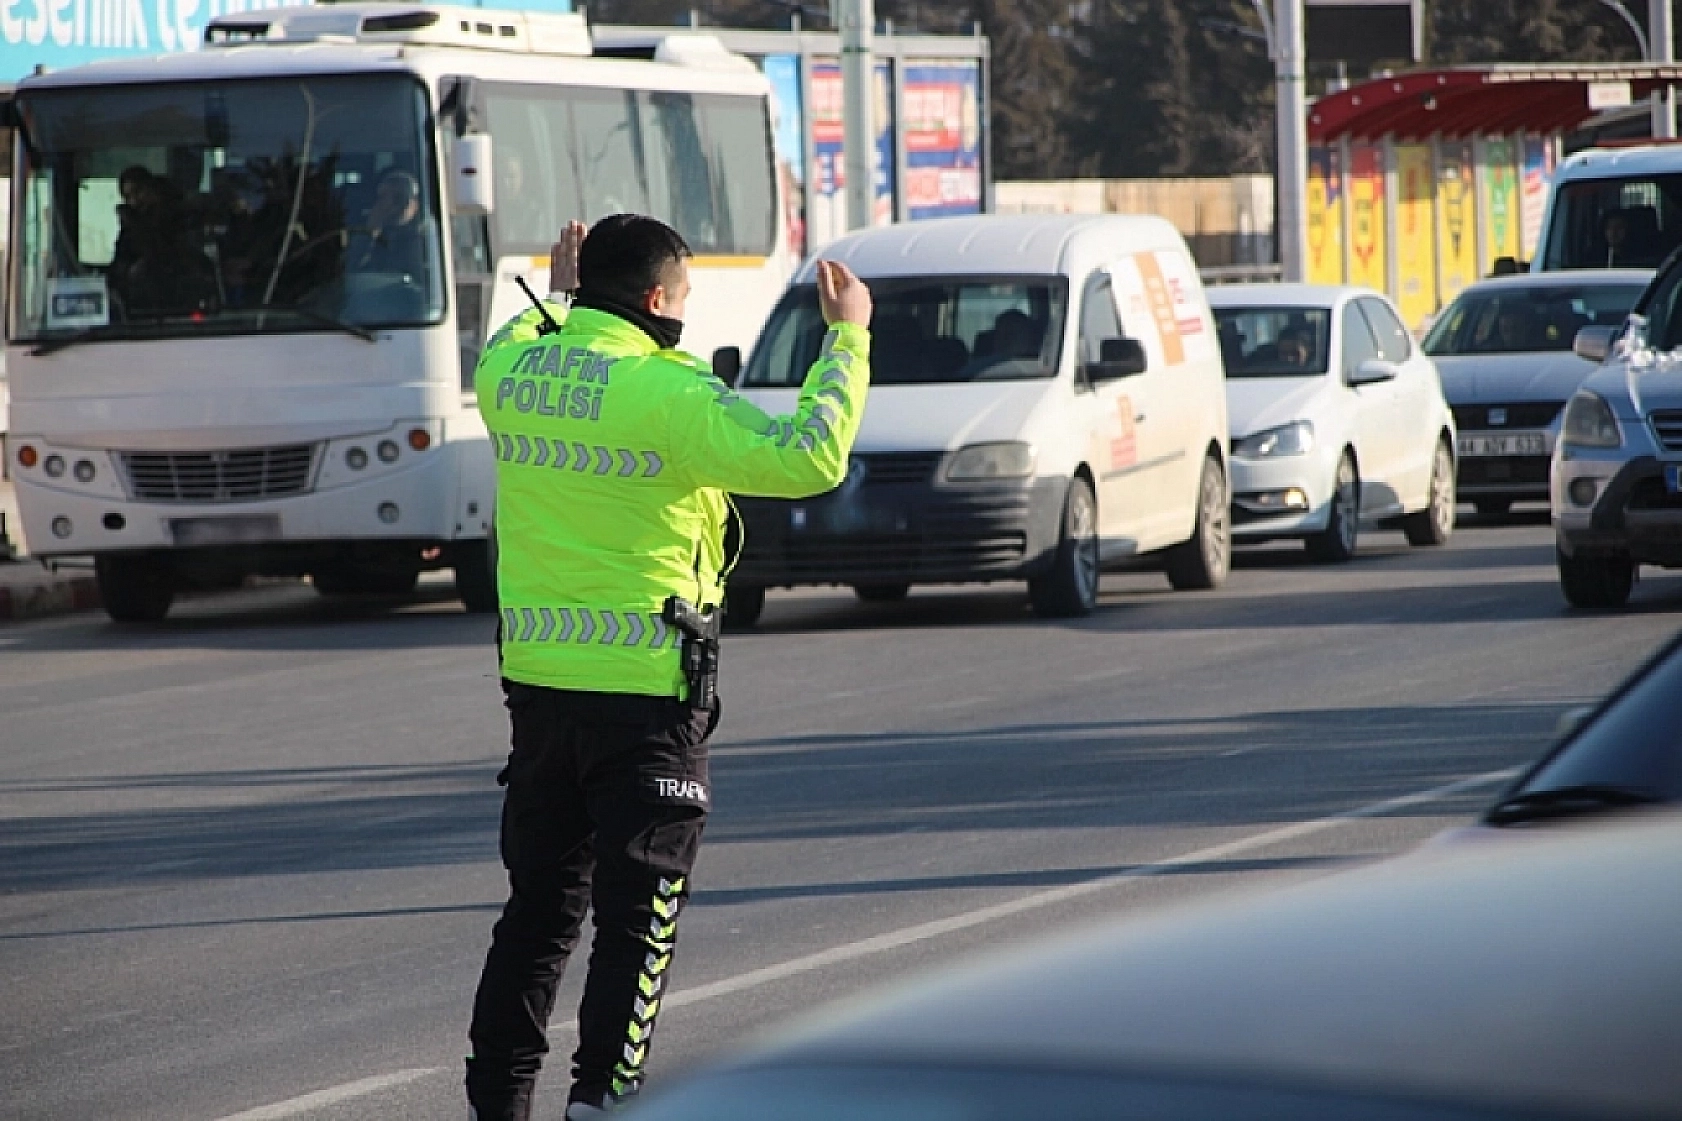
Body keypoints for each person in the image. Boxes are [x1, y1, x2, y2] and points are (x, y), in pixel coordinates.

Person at [465, 214, 874, 1121]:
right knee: (637, 926)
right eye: (684, 296)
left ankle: (498, 1106)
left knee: (537, 917)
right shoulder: (674, 395)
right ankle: (603, 1103)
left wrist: (559, 298)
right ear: (658, 301)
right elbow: (811, 456)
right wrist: (847, 338)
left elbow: (513, 334)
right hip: (647, 699)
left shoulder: (511, 373)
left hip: (538, 692)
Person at [354, 169, 428, 275]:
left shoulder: (427, 240)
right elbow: (350, 269)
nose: (390, 204)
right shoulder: (365, 235)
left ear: (415, 205)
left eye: (399, 198)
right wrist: (369, 232)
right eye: (383, 197)